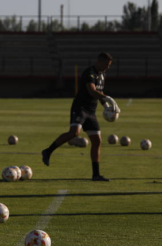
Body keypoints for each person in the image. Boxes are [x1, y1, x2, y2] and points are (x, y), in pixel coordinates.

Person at [41, 52, 120, 181]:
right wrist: (108, 98)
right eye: (106, 64)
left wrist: (106, 105)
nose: (108, 67)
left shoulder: (102, 75)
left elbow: (99, 92)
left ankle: (96, 175)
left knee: (97, 141)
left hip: (91, 111)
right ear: (99, 61)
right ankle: (48, 151)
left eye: (109, 65)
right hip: (80, 108)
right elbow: (92, 90)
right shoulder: (89, 72)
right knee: (75, 133)